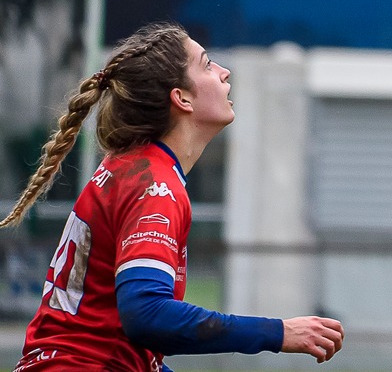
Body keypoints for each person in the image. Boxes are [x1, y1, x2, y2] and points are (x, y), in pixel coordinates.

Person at [4, 21, 345, 370]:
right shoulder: (154, 185)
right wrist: (277, 332)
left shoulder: (131, 167)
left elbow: (125, 338)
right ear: (180, 98)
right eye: (208, 64)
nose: (225, 73)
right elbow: (146, 313)